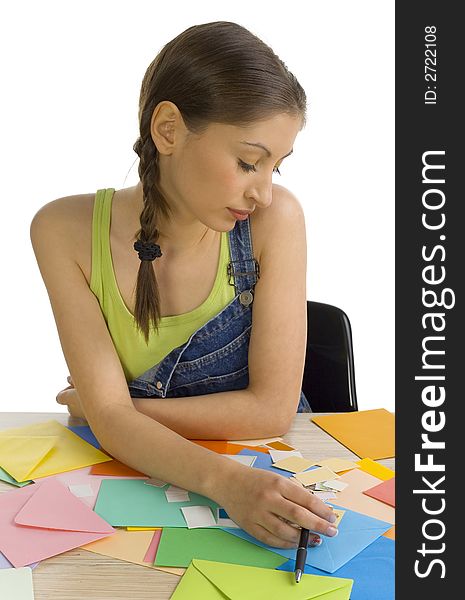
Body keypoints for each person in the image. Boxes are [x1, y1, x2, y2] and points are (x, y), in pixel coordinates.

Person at [30, 21, 339, 548]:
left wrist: (115, 415)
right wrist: (222, 480)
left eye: (276, 168)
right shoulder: (62, 231)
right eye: (248, 162)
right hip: (152, 480)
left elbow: (269, 411)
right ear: (168, 129)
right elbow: (108, 420)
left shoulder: (276, 221)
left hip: (270, 470)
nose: (263, 192)